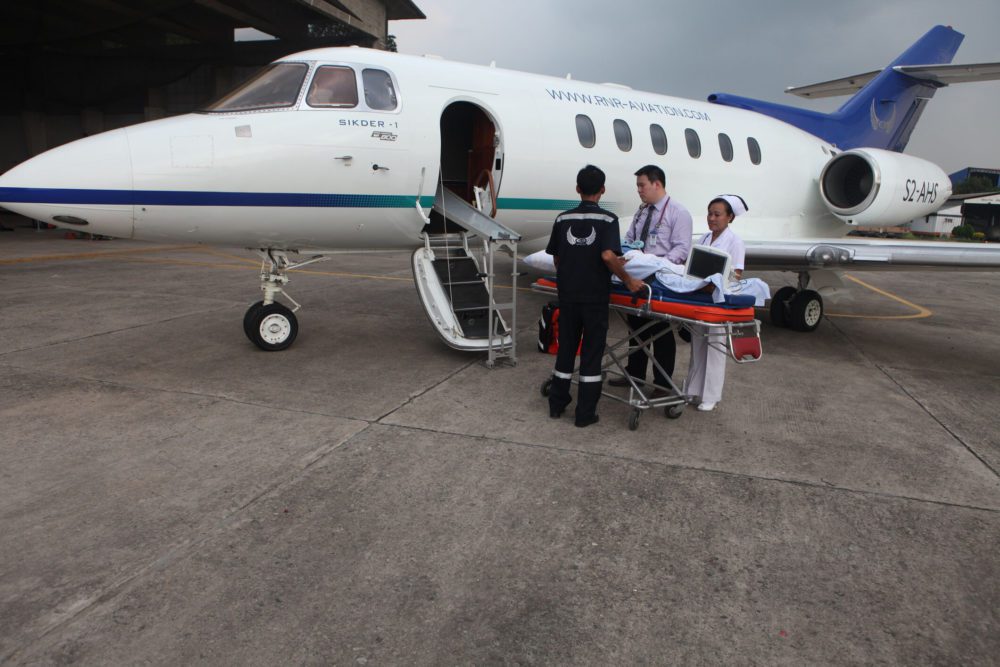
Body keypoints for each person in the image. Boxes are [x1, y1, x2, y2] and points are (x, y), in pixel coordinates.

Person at [546, 165, 644, 427]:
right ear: (602, 190)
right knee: (590, 354)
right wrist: (628, 278)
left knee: (566, 349)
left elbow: (557, 257)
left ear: (578, 189)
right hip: (594, 298)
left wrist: (571, 274)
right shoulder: (608, 220)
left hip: (567, 296)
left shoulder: (562, 219)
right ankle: (584, 414)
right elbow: (607, 255)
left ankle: (556, 405)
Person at [609, 165, 693, 396]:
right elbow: (630, 238)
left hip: (659, 278)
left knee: (660, 331)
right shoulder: (642, 211)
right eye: (638, 186)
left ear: (657, 184)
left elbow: (682, 249)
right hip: (637, 277)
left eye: (641, 185)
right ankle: (634, 374)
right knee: (635, 328)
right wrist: (627, 257)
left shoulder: (678, 212)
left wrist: (657, 264)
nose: (639, 190)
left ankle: (663, 383)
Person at [684, 195, 748, 412]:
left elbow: (736, 274)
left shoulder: (735, 241)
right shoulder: (703, 239)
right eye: (710, 213)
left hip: (719, 300)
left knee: (715, 347)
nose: (712, 218)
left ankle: (711, 395)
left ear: (729, 217)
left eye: (717, 214)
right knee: (697, 345)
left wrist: (714, 283)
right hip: (700, 296)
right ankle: (693, 389)